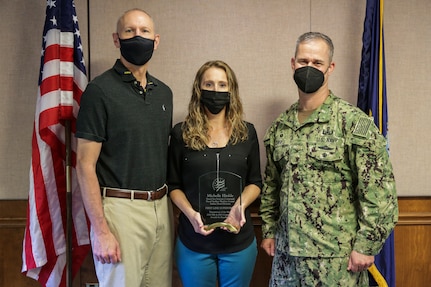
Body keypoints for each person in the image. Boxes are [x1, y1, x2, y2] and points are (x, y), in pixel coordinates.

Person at [259, 32, 398, 287]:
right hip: (286, 263)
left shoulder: (352, 123)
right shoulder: (280, 127)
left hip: (336, 263)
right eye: (303, 61)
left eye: (317, 63)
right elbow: (271, 186)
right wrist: (268, 230)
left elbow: (380, 192)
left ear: (330, 67)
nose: (309, 68)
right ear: (293, 63)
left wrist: (366, 246)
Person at [76, 8, 174, 287]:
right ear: (116, 39)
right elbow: (85, 165)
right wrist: (101, 230)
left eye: (144, 32)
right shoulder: (99, 91)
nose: (137, 37)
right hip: (120, 210)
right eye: (129, 31)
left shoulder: (163, 93)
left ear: (156, 41)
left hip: (161, 208)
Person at [167, 60, 262, 287]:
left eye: (222, 85)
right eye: (208, 84)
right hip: (194, 243)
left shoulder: (247, 132)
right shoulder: (181, 133)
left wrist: (239, 206)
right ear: (199, 90)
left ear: (232, 90)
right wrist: (190, 214)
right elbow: (173, 185)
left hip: (238, 243)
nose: (215, 91)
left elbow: (255, 182)